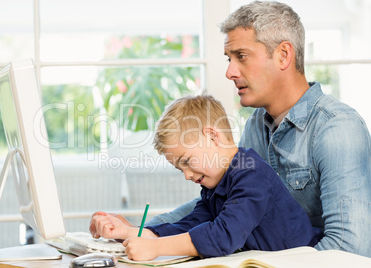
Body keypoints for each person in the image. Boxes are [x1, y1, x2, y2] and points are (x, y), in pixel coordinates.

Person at [142, 0, 371, 258]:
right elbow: (225, 204)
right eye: (229, 59)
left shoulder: (337, 127)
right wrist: (143, 233)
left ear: (284, 55)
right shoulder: (255, 125)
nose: (229, 71)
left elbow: (350, 250)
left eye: (241, 56)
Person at [89, 95, 322, 260]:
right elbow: (190, 225)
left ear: (212, 136)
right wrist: (132, 233)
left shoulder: (252, 175)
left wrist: (156, 247)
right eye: (180, 169)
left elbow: (223, 236)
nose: (187, 175)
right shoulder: (216, 185)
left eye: (187, 161)